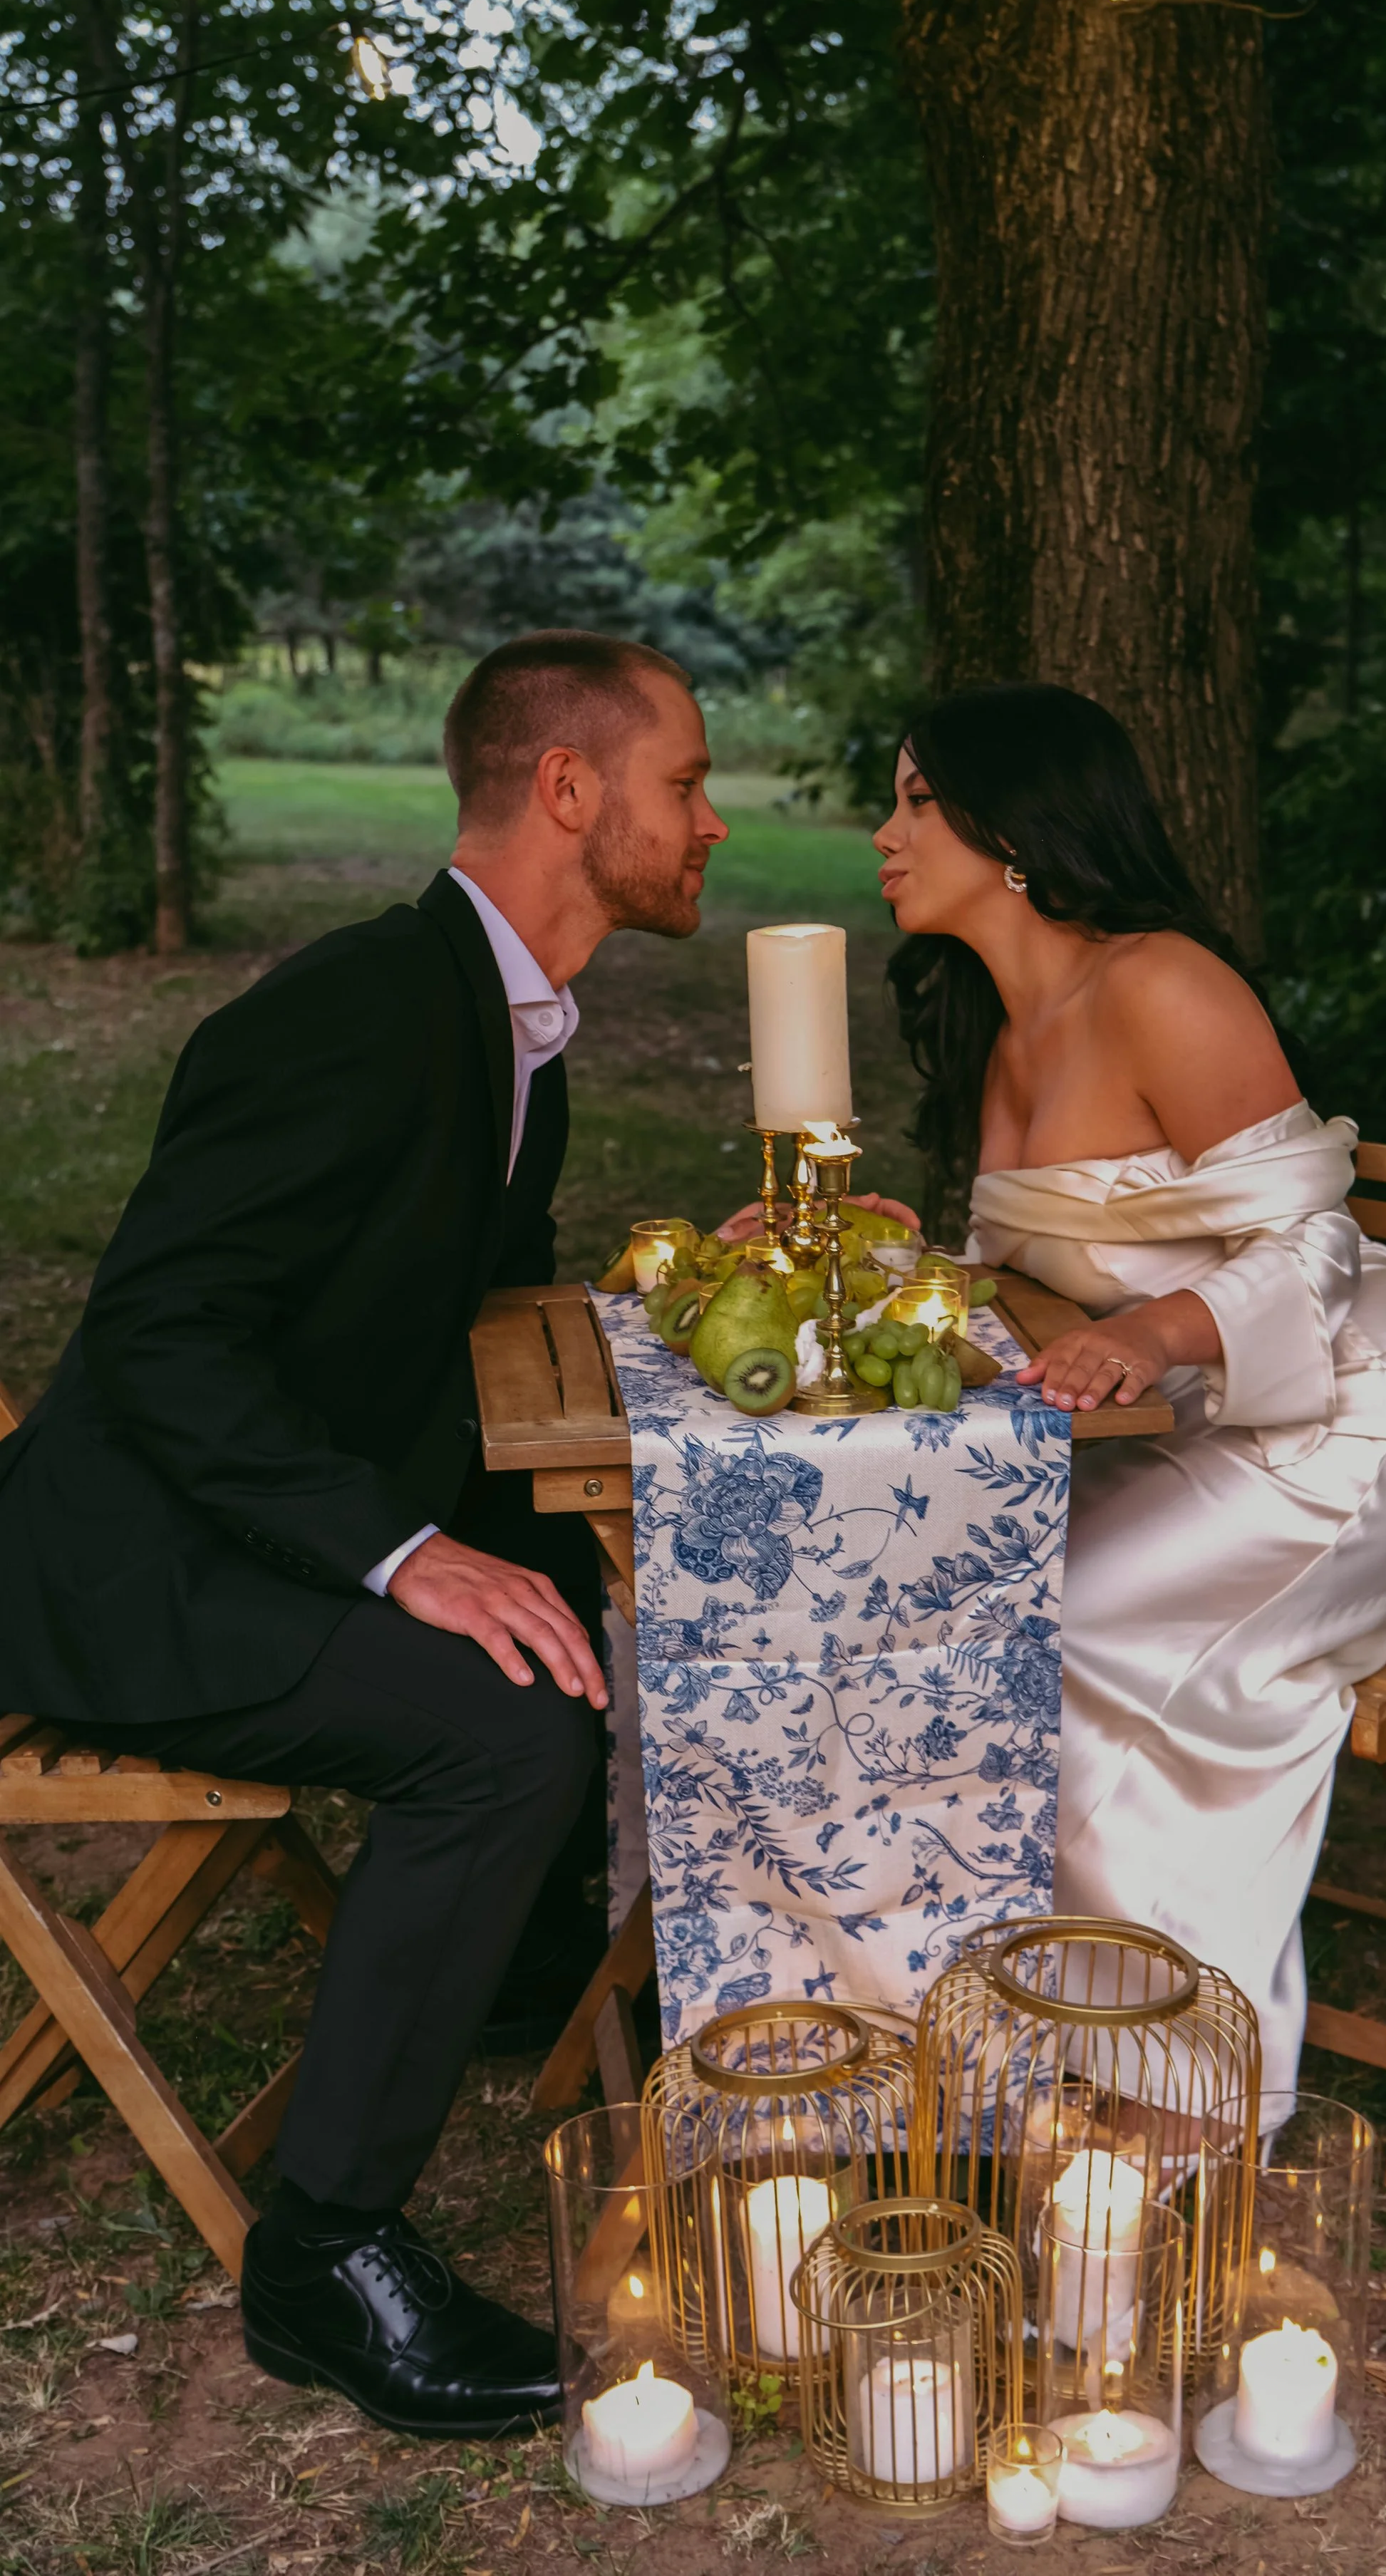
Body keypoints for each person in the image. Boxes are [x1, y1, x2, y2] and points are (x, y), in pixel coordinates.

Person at [0, 631, 728, 2436]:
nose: (713, 822)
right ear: (570, 791)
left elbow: (456, 1307)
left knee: (586, 1566)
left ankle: (528, 1962)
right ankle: (323, 2255)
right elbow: (163, 1336)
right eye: (689, 783)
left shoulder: (511, 1033)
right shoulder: (353, 1012)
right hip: (125, 1572)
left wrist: (722, 1291)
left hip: (261, 1504)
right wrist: (404, 1557)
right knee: (504, 1726)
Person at [876, 683, 1386, 2112]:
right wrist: (871, 1256)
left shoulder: (1158, 981)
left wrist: (1159, 1327)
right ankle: (1014, 2026)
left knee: (1069, 1629)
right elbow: (1019, 1281)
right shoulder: (1007, 1030)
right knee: (960, 1603)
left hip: (1364, 1420)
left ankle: (1171, 2090)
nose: (881, 833)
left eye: (915, 800)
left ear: (1012, 826)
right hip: (1196, 1425)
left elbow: (1317, 1242)